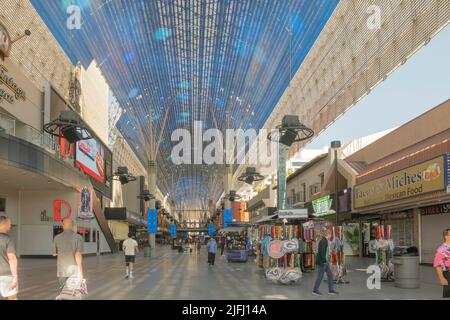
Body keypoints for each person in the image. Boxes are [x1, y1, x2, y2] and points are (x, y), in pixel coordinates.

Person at [53, 218, 84, 290]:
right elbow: (78, 254)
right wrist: (81, 271)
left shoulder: (57, 238)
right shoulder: (78, 237)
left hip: (61, 269)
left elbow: (54, 253)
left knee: (64, 291)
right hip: (73, 269)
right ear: (72, 225)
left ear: (63, 226)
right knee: (72, 291)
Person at [312, 229, 338, 296]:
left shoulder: (324, 240)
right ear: (328, 234)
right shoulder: (324, 241)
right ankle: (315, 290)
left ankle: (331, 290)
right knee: (320, 276)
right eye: (330, 234)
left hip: (325, 261)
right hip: (323, 262)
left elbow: (324, 252)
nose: (331, 236)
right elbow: (322, 252)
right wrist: (324, 261)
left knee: (330, 275)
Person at [0, 216, 18, 300]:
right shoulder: (8, 239)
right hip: (6, 275)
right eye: (9, 224)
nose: (10, 226)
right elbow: (12, 258)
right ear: (3, 224)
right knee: (12, 298)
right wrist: (15, 276)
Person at [434, 228, 450, 298]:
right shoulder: (441, 249)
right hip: (448, 273)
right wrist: (441, 278)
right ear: (446, 236)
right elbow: (437, 265)